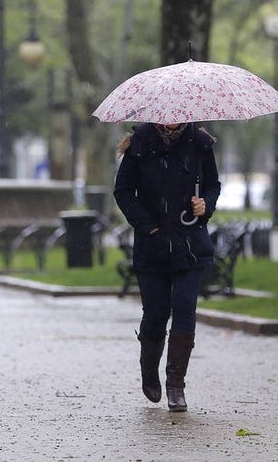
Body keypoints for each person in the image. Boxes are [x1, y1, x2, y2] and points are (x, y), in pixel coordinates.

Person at [113, 121, 221, 412]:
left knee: (185, 308)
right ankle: (149, 370)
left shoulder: (200, 142)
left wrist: (205, 205)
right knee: (156, 313)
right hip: (154, 245)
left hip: (190, 242)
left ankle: (176, 385)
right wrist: (148, 228)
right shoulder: (139, 144)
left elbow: (212, 184)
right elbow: (122, 191)